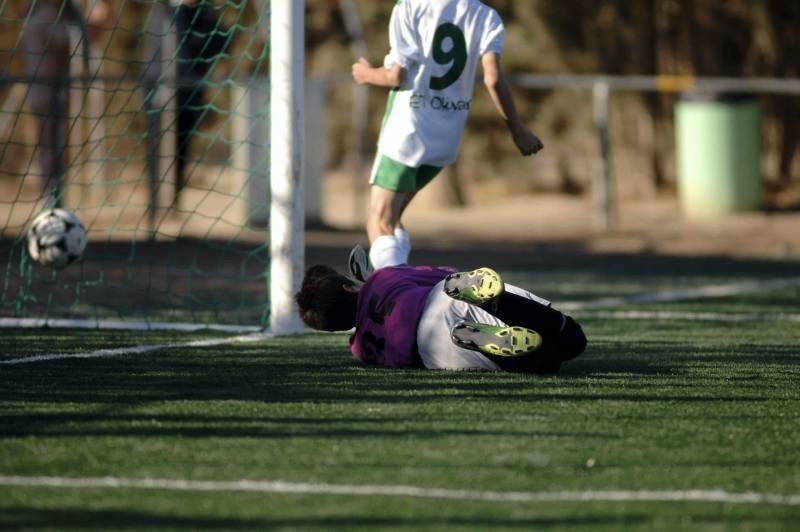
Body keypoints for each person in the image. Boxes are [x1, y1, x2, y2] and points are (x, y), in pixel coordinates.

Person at [351, 0, 544, 270]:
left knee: (379, 219)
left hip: (409, 130)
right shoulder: (486, 16)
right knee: (393, 220)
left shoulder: (411, 6)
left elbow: (396, 76)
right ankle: (399, 281)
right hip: (446, 136)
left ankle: (396, 293)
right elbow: (493, 79)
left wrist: (365, 74)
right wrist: (518, 130)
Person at [295, 264, 586, 373]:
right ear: (348, 285)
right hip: (442, 299)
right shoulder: (382, 278)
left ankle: (493, 344)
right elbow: (442, 273)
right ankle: (495, 303)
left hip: (432, 349)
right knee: (573, 339)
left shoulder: (360, 349)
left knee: (548, 362)